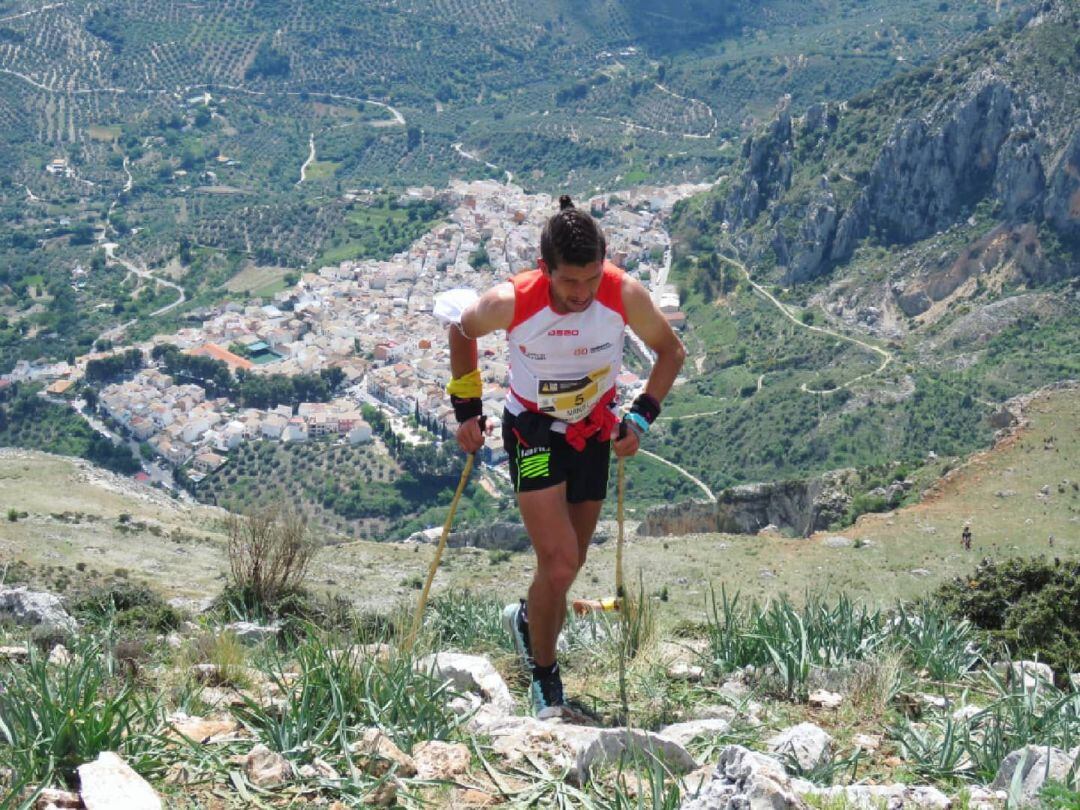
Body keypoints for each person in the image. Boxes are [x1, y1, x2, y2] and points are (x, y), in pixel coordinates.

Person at [444, 195, 686, 718]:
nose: (581, 294)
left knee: (568, 562)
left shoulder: (624, 294)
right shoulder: (512, 300)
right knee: (560, 562)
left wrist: (641, 417)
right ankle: (545, 676)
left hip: (594, 430)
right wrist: (466, 407)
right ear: (544, 268)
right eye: (569, 282)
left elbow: (672, 352)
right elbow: (461, 330)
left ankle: (528, 622)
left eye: (591, 279)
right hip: (532, 431)